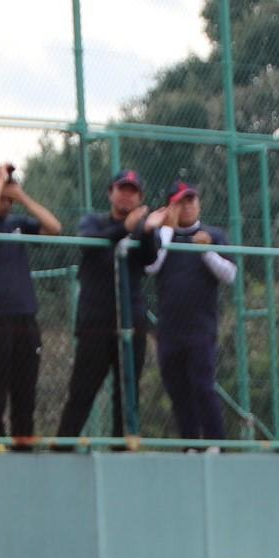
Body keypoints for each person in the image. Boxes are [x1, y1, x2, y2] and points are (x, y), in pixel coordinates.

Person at [54, 169, 165, 442]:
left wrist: (147, 230)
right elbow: (90, 244)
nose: (126, 195)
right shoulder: (93, 222)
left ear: (140, 197)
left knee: (127, 390)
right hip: (95, 322)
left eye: (132, 191)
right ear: (110, 193)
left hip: (132, 322)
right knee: (82, 389)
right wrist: (126, 228)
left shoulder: (143, 229)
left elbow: (150, 258)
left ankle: (123, 447)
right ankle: (63, 445)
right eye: (121, 189)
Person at [0, 161, 58, 442]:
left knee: (26, 381)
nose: (7, 194)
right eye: (0, 187)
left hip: (25, 315)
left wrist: (23, 198)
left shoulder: (18, 223)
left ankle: (23, 439)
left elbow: (54, 227)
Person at [145, 184, 234, 441]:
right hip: (169, 330)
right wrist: (167, 231)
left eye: (191, 200)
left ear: (199, 203)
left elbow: (230, 274)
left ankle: (216, 442)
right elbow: (152, 267)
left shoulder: (213, 234)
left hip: (201, 328)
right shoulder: (162, 236)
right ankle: (190, 443)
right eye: (180, 202)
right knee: (177, 389)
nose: (187, 206)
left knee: (203, 386)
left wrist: (206, 251)